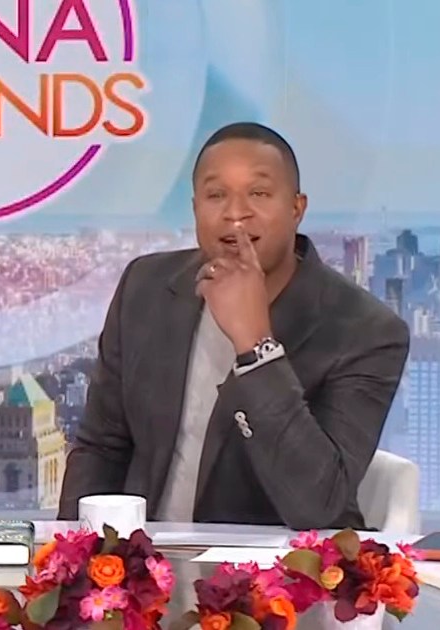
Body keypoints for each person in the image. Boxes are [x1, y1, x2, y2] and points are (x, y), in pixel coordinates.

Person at [57, 122, 409, 530]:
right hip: (145, 560)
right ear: (195, 208)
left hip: (279, 564)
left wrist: (255, 347)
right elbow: (101, 448)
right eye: (216, 195)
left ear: (297, 209)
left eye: (258, 193)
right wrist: (74, 555)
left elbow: (319, 508)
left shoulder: (365, 331)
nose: (235, 213)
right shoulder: (146, 287)